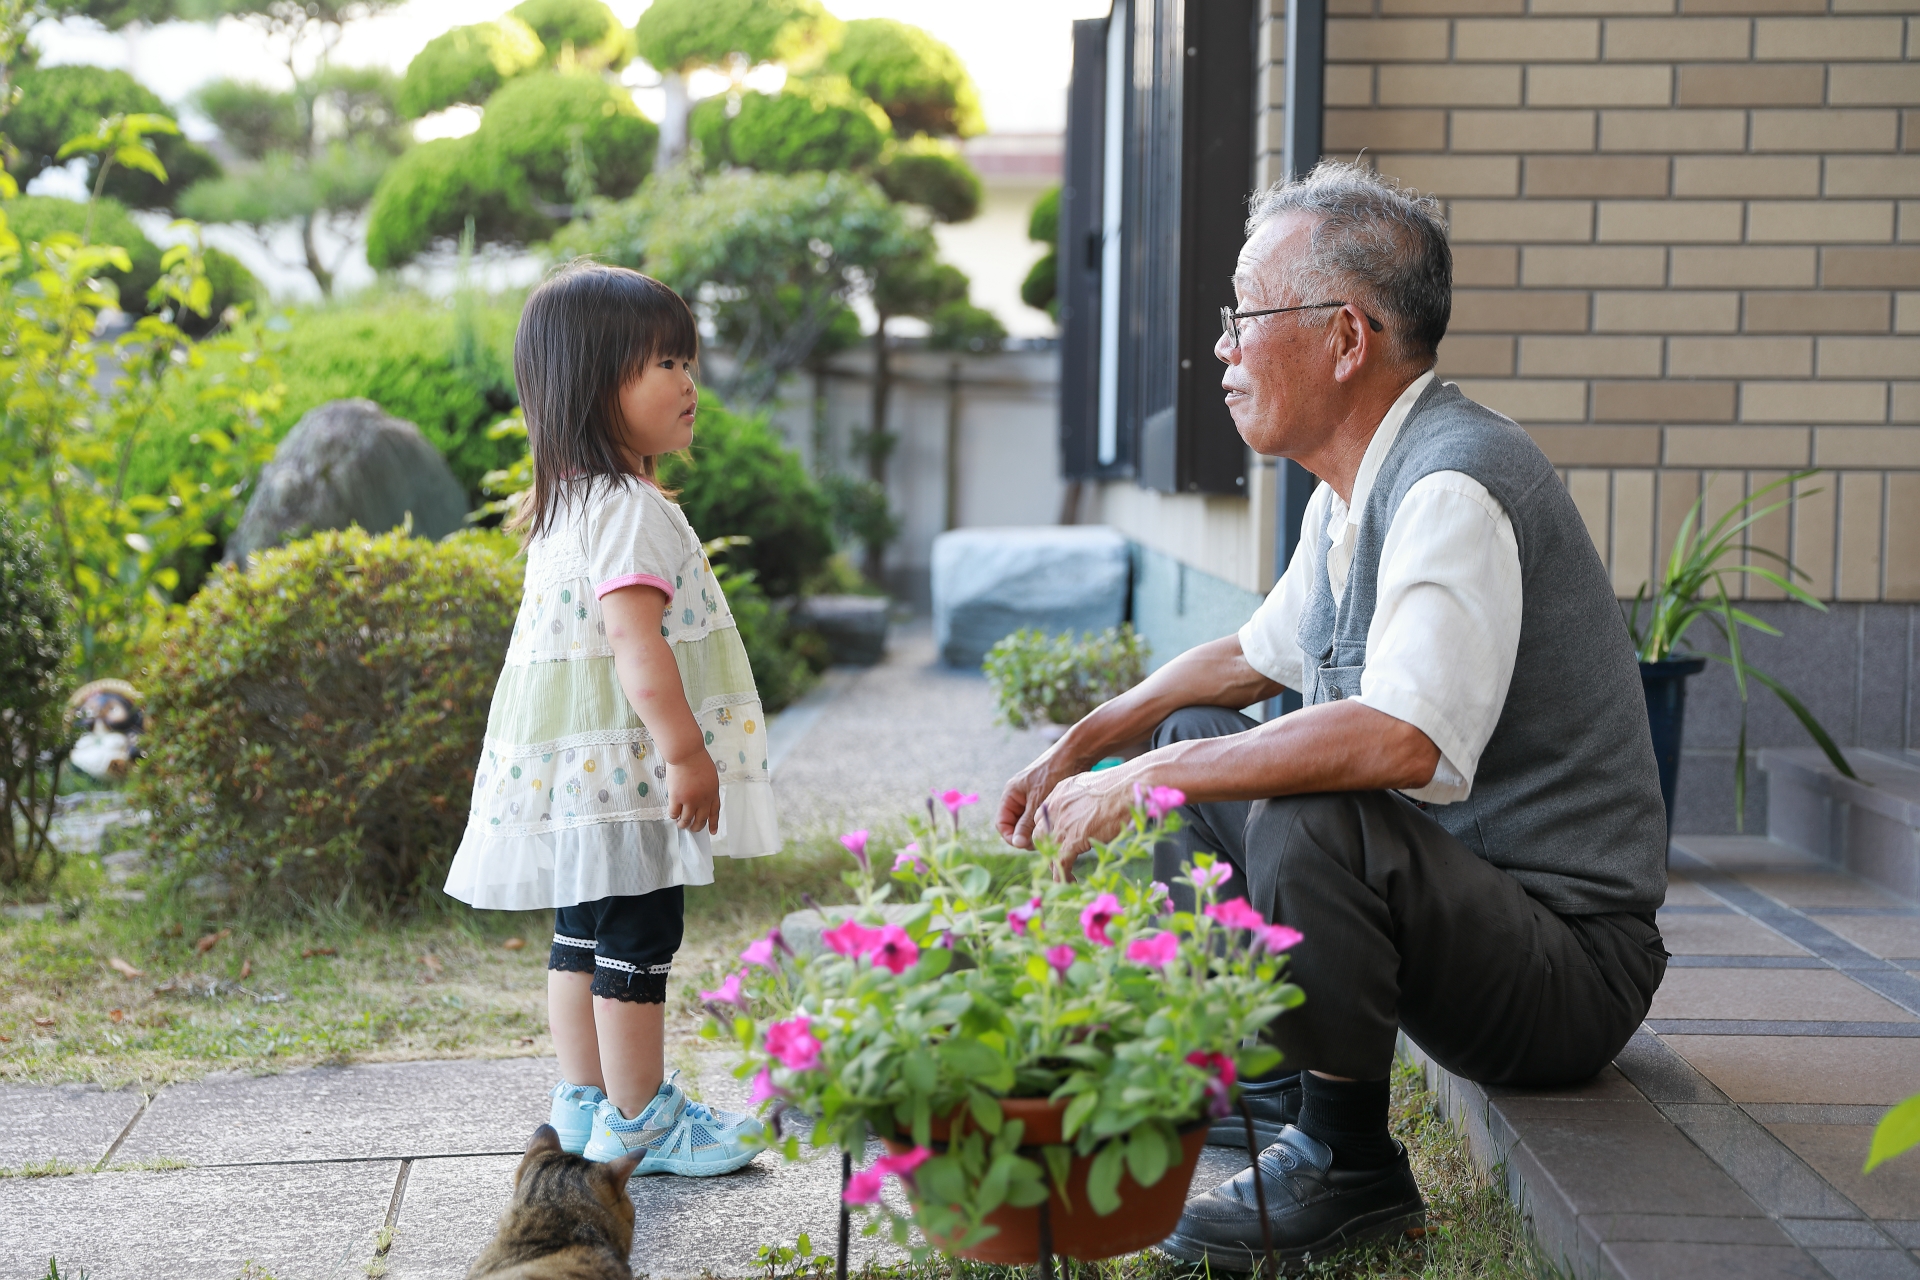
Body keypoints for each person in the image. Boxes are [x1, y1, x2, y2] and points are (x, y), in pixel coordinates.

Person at [997, 161, 1669, 1266]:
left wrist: (1144, 783)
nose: (1222, 349)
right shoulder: (1355, 488)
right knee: (1190, 748)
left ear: (1345, 337)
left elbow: (1402, 735)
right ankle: (1268, 1079)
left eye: (1242, 317)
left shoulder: (1454, 483)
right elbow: (1246, 659)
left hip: (1566, 971)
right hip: (1477, 915)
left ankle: (1350, 1162)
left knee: (1304, 808)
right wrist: (1094, 741)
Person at [444, 262, 781, 1177]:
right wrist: (687, 753)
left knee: (581, 935)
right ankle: (641, 1120)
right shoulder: (629, 511)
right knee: (637, 937)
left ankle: (586, 1101)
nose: (687, 381)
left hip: (583, 773)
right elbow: (637, 646)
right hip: (633, 770)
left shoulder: (569, 506)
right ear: (596, 386)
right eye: (661, 362)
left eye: (688, 360)